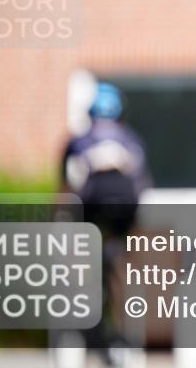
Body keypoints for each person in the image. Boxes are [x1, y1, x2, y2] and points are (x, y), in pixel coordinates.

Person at [60, 82, 151, 367]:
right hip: (124, 213)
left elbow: (66, 186)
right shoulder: (131, 138)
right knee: (118, 264)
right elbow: (142, 185)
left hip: (92, 211)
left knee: (87, 266)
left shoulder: (79, 140)